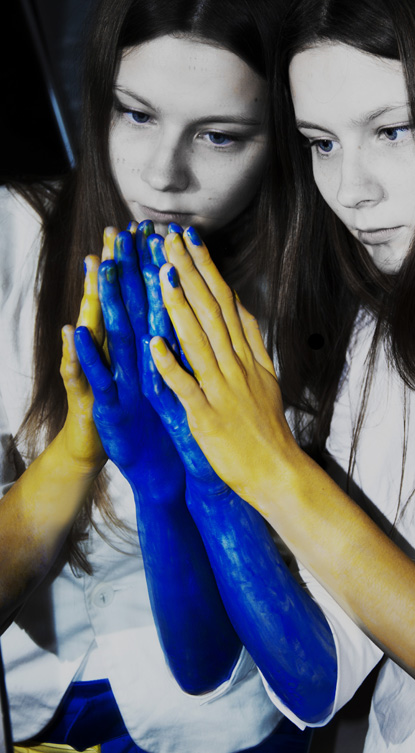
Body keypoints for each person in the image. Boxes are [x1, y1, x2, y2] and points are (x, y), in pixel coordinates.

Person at [144, 0, 415, 751]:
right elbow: (322, 675)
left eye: (392, 130)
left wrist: (274, 469)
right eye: (322, 143)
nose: (349, 190)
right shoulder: (384, 340)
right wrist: (209, 483)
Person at [0, 0, 338, 750]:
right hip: (19, 694)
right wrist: (81, 451)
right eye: (137, 114)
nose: (161, 175)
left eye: (219, 136)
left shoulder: (320, 304)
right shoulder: (13, 236)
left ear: (286, 139)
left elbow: (268, 660)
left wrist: (191, 482)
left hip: (215, 722)